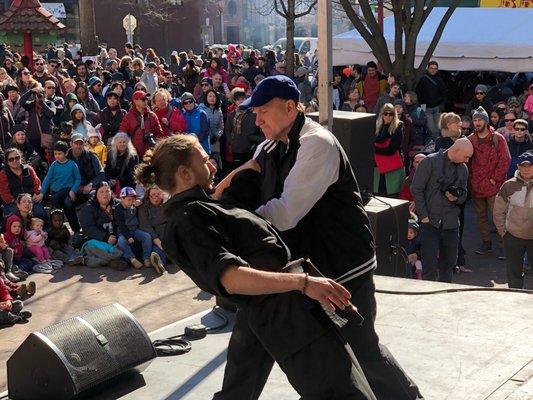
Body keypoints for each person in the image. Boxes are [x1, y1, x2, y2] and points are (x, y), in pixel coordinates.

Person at [215, 75, 421, 400]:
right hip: (300, 269)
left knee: (362, 348)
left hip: (342, 267)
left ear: (289, 107)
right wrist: (211, 204)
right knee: (248, 340)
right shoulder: (269, 144)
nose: (257, 119)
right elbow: (245, 173)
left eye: (263, 112)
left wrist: (234, 223)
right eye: (254, 113)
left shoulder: (317, 144)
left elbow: (285, 213)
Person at [136, 134, 376, 400]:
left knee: (238, 392)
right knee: (346, 392)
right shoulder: (188, 220)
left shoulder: (202, 208)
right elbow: (232, 278)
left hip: (270, 311)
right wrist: (304, 283)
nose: (212, 166)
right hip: (286, 317)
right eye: (204, 161)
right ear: (185, 173)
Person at [411, 138, 472, 282]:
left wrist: (456, 198)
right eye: (466, 156)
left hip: (451, 224)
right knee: (429, 267)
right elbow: (416, 188)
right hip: (430, 222)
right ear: (456, 150)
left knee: (448, 266)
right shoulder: (430, 162)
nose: (467, 160)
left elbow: (465, 195)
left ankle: (444, 299)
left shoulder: (463, 169)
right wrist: (424, 216)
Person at [467, 107, 511, 257]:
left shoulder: (498, 138)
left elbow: (505, 160)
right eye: (475, 120)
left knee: (498, 216)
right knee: (481, 217)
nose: (477, 122)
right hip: (476, 185)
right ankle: (486, 243)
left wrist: (494, 179)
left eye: (480, 119)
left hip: (494, 186)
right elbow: (465, 161)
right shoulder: (470, 140)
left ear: (486, 121)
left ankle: (505, 246)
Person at [493, 150, 533, 289]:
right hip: (513, 236)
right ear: (518, 167)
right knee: (514, 274)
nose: (526, 169)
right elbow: (498, 210)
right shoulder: (508, 185)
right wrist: (503, 232)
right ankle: (514, 302)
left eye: (530, 165)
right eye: (523, 166)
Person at [114, 186, 165, 274]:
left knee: (146, 236)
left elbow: (143, 198)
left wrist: (139, 200)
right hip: (125, 232)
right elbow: (121, 225)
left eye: (132, 199)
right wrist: (128, 236)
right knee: (121, 241)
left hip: (135, 230)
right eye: (128, 200)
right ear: (122, 199)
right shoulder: (119, 209)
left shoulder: (135, 204)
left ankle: (146, 258)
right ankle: (132, 259)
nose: (131, 202)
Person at [78, 182, 128, 269]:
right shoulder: (88, 208)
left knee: (123, 244)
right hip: (97, 242)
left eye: (107, 191)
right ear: (96, 194)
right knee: (92, 247)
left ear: (111, 193)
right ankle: (113, 260)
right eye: (101, 192)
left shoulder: (118, 204)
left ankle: (101, 261)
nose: (105, 194)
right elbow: (88, 229)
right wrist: (105, 237)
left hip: (115, 241)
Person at [37, 141, 81, 232]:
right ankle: (56, 230)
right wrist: (42, 193)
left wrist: (73, 190)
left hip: (67, 191)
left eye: (59, 154)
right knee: (56, 210)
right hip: (56, 192)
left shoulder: (72, 164)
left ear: (66, 153)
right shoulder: (54, 165)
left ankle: (76, 230)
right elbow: (47, 179)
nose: (57, 156)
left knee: (68, 204)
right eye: (55, 154)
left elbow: (78, 179)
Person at [0, 148, 47, 220]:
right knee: (17, 217)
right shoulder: (4, 173)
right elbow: (4, 193)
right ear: (7, 162)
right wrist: (18, 202)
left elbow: (37, 183)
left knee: (40, 214)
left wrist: (37, 193)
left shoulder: (28, 169)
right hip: (14, 202)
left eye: (17, 158)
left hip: (30, 200)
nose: (15, 161)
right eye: (11, 159)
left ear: (20, 158)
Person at [224, 90, 263, 171]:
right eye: (238, 99)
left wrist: (254, 141)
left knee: (249, 172)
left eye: (243, 99)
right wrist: (231, 142)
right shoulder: (232, 115)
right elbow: (228, 129)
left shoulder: (254, 114)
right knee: (237, 171)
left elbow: (260, 131)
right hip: (236, 149)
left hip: (250, 149)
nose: (241, 101)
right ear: (234, 101)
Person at [119, 90, 164, 157]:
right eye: (143, 99)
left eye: (146, 99)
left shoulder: (152, 115)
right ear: (135, 101)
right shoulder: (128, 117)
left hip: (150, 154)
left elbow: (159, 134)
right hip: (134, 154)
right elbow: (122, 134)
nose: (146, 101)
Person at [373, 103, 405, 196]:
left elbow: (391, 150)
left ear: (394, 115)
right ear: (381, 114)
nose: (388, 116)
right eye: (385, 113)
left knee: (392, 196)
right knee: (377, 195)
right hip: (377, 168)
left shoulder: (398, 127)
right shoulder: (376, 127)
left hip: (392, 168)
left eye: (390, 114)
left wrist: (374, 150)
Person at [67, 133, 106, 207]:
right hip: (73, 190)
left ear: (84, 144)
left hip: (90, 189)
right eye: (76, 143)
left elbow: (101, 174)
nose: (78, 146)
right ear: (71, 144)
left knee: (93, 196)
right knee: (67, 202)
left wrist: (91, 184)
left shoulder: (92, 156)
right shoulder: (66, 158)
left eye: (81, 144)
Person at [415, 61, 447, 140]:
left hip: (437, 107)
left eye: (435, 68)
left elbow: (444, 93)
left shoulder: (440, 80)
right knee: (432, 129)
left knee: (439, 128)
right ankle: (437, 143)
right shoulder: (422, 80)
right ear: (428, 69)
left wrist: (442, 105)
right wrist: (422, 107)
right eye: (431, 68)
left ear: (437, 70)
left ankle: (438, 144)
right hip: (427, 108)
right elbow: (418, 94)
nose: (433, 70)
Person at [138, 187, 168, 268]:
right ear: (148, 196)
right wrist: (156, 240)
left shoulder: (166, 204)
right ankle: (159, 263)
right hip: (154, 234)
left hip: (168, 232)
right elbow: (145, 225)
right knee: (157, 249)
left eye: (158, 194)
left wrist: (165, 201)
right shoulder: (143, 208)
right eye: (153, 194)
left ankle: (161, 261)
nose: (156, 197)